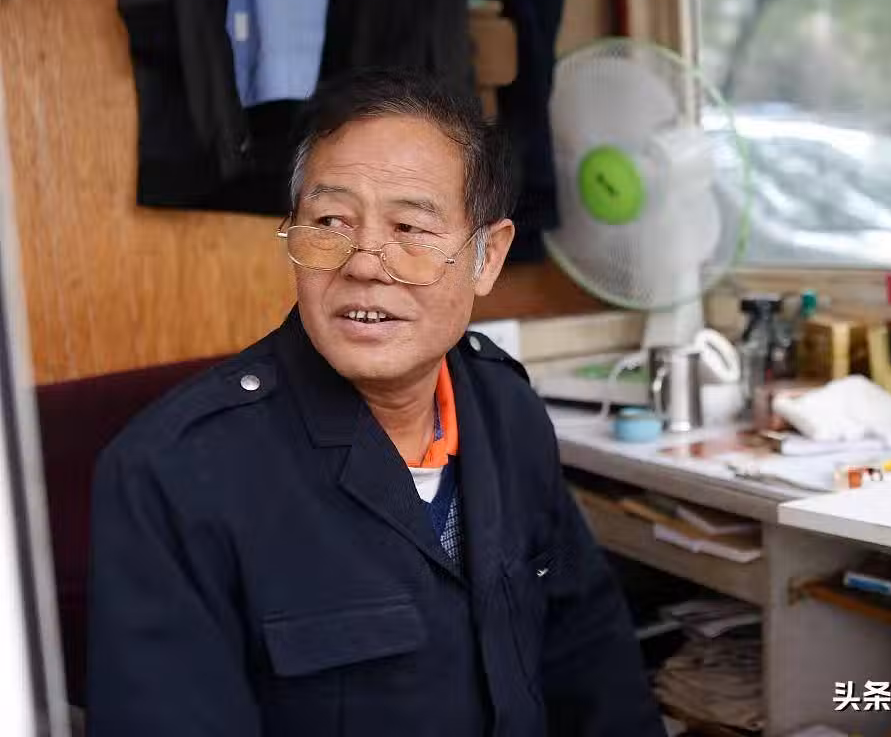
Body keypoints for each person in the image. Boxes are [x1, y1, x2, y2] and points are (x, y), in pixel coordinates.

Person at [87, 68, 665, 737]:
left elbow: (590, 658)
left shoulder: (507, 409)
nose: (363, 263)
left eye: (410, 228)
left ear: (488, 256)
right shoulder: (171, 475)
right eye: (330, 221)